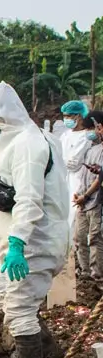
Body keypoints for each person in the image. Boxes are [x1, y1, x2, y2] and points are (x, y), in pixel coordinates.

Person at [0, 82, 69, 358]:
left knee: (18, 308)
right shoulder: (21, 139)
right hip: (24, 240)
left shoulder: (30, 145)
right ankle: (46, 348)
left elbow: (30, 200)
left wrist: (18, 244)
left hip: (35, 240)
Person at [73, 111, 103, 280]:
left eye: (96, 128)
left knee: (95, 238)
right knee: (79, 237)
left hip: (95, 201)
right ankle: (84, 271)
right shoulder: (91, 150)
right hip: (83, 200)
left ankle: (97, 274)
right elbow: (84, 174)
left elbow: (99, 179)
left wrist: (86, 195)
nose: (94, 132)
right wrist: (79, 193)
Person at [61, 100, 94, 231]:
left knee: (74, 217)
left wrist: (60, 160)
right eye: (64, 116)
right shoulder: (65, 134)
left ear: (79, 116)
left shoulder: (85, 137)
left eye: (68, 116)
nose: (66, 119)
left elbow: (73, 163)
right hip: (65, 179)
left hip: (78, 180)